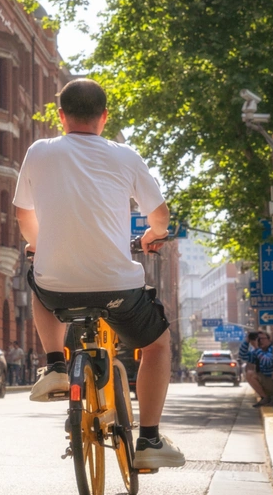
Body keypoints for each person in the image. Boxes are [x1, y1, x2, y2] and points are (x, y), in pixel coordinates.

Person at [13, 77, 185, 472]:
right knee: (158, 345)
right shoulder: (125, 156)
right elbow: (160, 216)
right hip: (118, 288)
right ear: (104, 118)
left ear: (61, 117)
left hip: (58, 288)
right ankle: (150, 439)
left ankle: (56, 366)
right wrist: (153, 235)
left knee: (37, 281)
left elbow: (25, 216)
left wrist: (39, 246)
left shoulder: (39, 151)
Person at [240, 331, 273, 407]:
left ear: (269, 339)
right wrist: (247, 341)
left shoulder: (272, 349)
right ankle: (265, 398)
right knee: (249, 374)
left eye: (262, 338)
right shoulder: (257, 351)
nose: (260, 341)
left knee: (251, 374)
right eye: (258, 339)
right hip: (267, 380)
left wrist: (256, 348)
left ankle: (270, 397)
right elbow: (243, 356)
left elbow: (267, 362)